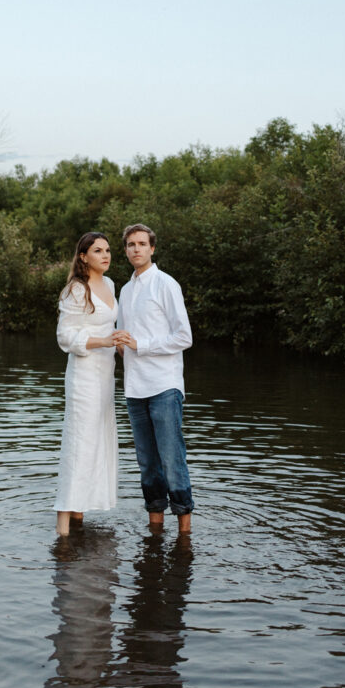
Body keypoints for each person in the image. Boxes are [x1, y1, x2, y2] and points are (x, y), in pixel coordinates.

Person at [114, 224, 194, 534]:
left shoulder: (165, 284)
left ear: (152, 248)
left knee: (172, 462)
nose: (136, 249)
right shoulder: (125, 290)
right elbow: (125, 340)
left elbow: (184, 336)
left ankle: (185, 536)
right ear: (126, 250)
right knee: (147, 465)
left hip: (164, 386)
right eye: (131, 244)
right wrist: (120, 346)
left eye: (142, 244)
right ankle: (155, 531)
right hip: (134, 389)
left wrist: (141, 346)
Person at [54, 231, 119, 537]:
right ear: (83, 257)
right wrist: (104, 340)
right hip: (83, 377)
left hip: (106, 376)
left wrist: (118, 341)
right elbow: (65, 337)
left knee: (97, 444)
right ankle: (63, 527)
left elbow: (109, 325)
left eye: (107, 250)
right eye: (97, 250)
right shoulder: (75, 290)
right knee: (80, 445)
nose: (105, 255)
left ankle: (79, 515)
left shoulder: (110, 284)